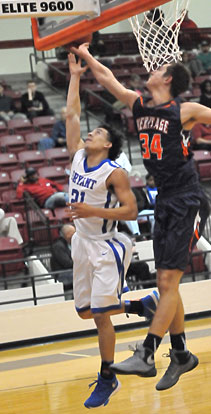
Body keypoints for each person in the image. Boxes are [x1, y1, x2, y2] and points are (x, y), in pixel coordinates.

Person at [71, 43, 211, 391]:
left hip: (187, 199)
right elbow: (108, 80)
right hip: (163, 201)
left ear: (166, 78)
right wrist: (88, 58)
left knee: (167, 284)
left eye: (158, 66)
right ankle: (180, 354)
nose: (151, 68)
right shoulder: (139, 104)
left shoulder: (185, 109)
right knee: (167, 285)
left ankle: (147, 352)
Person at [66, 52, 159, 409]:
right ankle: (140, 304)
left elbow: (132, 211)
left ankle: (108, 378)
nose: (90, 133)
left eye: (98, 133)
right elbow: (72, 114)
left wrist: (91, 209)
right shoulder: (77, 157)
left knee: (102, 315)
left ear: (107, 146)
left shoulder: (113, 173)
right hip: (83, 244)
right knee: (85, 313)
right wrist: (75, 75)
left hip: (108, 244)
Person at [51, 224, 75, 300]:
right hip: (62, 274)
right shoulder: (58, 246)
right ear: (66, 235)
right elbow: (67, 263)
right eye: (72, 234)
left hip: (69, 271)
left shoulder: (68, 244)